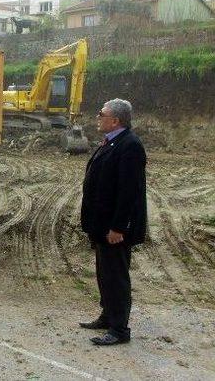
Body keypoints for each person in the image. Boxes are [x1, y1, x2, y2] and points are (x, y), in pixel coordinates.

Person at [80, 98, 147, 346]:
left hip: (114, 229)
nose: (98, 117)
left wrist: (119, 227)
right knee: (104, 274)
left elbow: (129, 192)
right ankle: (107, 316)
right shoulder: (113, 141)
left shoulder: (130, 146)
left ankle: (119, 330)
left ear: (115, 120)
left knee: (116, 277)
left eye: (101, 114)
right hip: (102, 225)